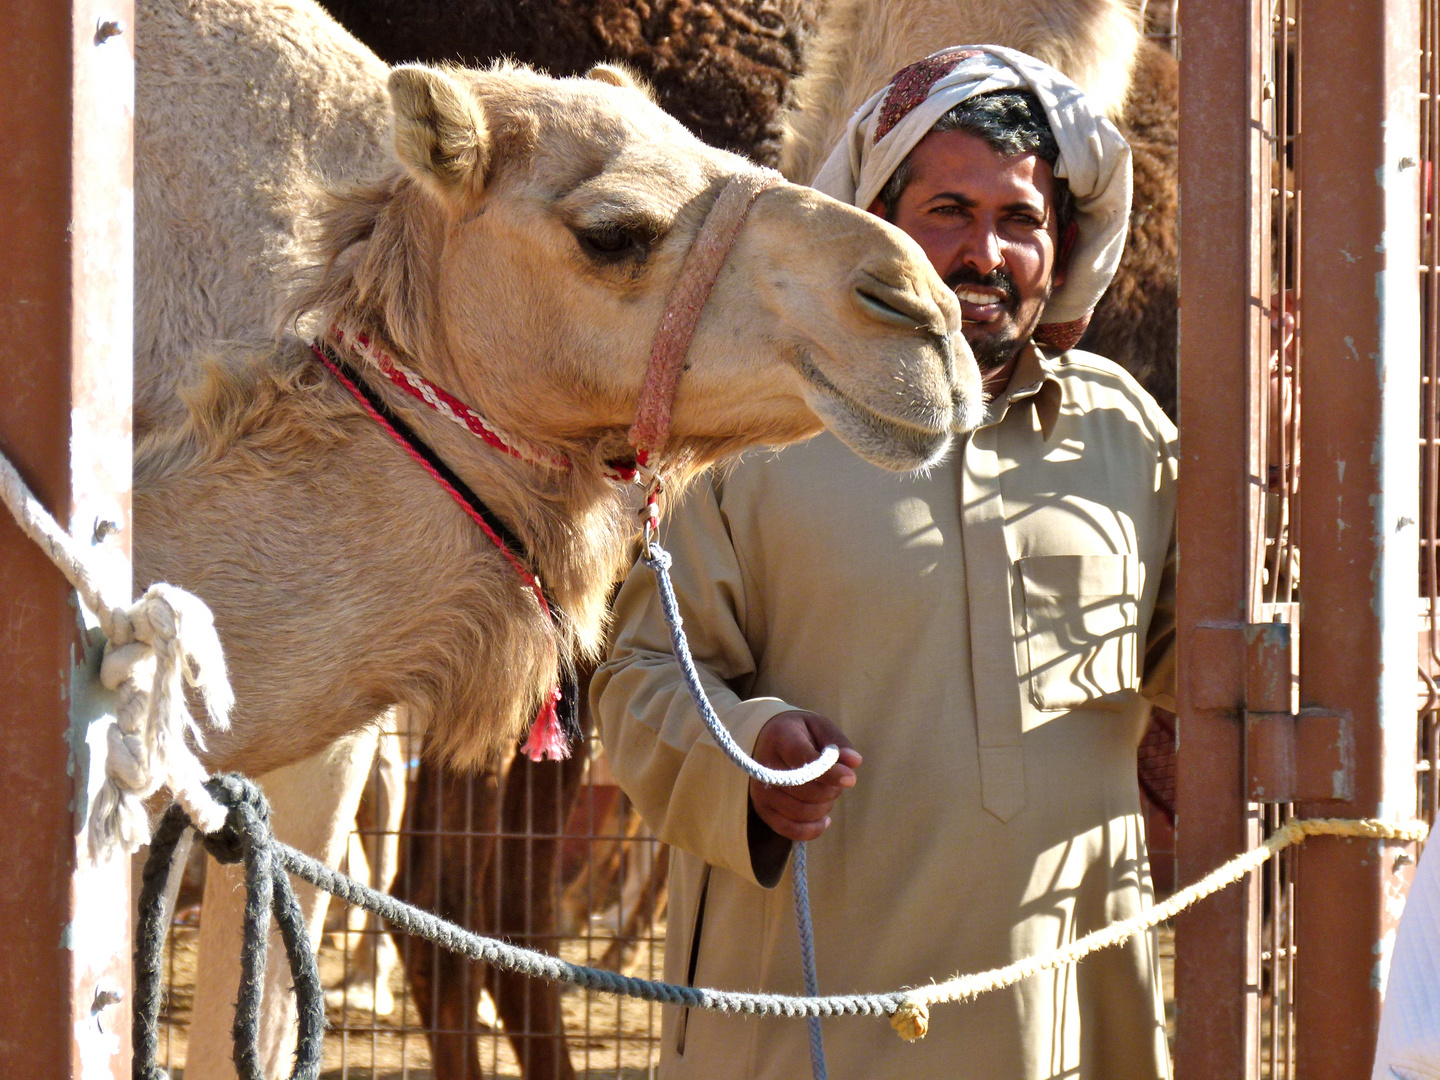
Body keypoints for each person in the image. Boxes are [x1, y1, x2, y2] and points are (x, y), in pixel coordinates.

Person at [593, 45, 1175, 1079]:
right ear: (877, 223)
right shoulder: (762, 428)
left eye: (1020, 220)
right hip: (801, 1026)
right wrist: (749, 750)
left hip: (1064, 1029)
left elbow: (1201, 677)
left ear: (1066, 240)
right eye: (947, 211)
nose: (983, 253)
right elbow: (638, 680)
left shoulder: (1129, 438)